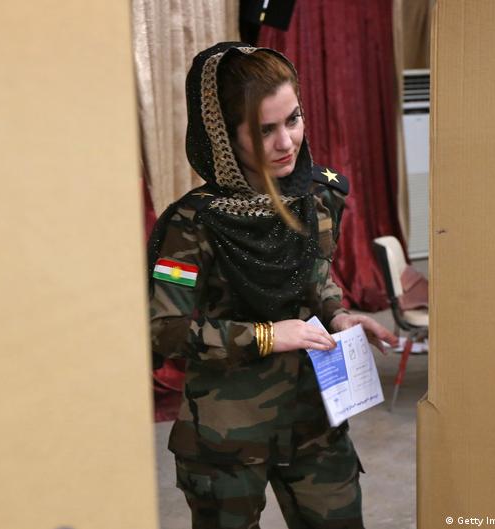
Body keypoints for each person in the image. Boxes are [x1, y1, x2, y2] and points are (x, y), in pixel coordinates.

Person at [148, 42, 398, 529]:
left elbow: (316, 276)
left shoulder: (318, 198)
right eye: (265, 130)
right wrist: (266, 334)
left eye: (293, 119)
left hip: (313, 420)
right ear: (222, 134)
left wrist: (338, 314)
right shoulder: (191, 225)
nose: (287, 143)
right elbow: (164, 330)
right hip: (227, 437)